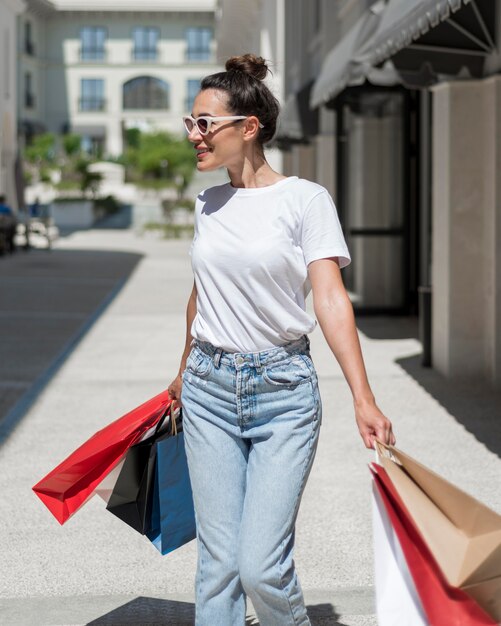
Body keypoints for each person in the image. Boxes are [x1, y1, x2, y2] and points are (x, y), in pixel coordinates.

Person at [168, 53, 395, 626]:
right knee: (218, 565)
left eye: (204, 123)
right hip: (207, 390)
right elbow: (204, 291)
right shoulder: (208, 203)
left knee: (261, 566)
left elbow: (330, 299)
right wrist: (182, 370)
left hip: (282, 392)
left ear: (248, 127)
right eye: (190, 123)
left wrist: (361, 397)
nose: (194, 135)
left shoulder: (305, 199)